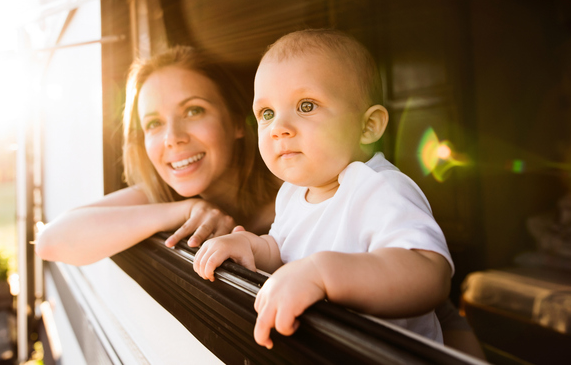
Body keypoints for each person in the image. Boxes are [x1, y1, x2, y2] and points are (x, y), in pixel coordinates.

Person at [193, 29, 454, 348]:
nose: (278, 129)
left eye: (306, 106)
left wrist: (323, 274)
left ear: (368, 126)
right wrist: (251, 246)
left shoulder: (378, 187)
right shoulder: (292, 192)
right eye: (267, 113)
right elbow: (283, 253)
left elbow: (429, 275)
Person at [35, 46, 280, 265]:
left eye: (193, 111)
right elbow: (51, 242)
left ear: (237, 121)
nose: (172, 137)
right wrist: (186, 210)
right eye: (154, 123)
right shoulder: (162, 193)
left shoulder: (299, 195)